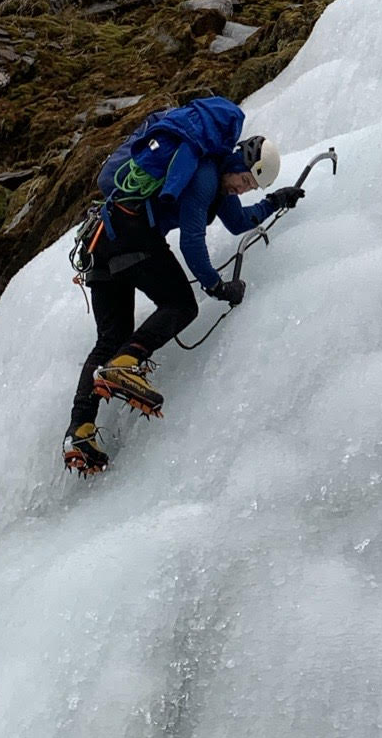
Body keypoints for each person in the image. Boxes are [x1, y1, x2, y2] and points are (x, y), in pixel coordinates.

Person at [63, 97, 304, 474]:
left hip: (102, 242)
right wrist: (216, 287)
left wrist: (275, 201)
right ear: (238, 162)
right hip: (133, 237)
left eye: (250, 187)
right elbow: (192, 242)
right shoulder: (206, 175)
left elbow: (239, 221)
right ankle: (124, 366)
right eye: (244, 181)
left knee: (110, 340)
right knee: (182, 305)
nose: (241, 190)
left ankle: (80, 430)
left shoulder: (217, 181)